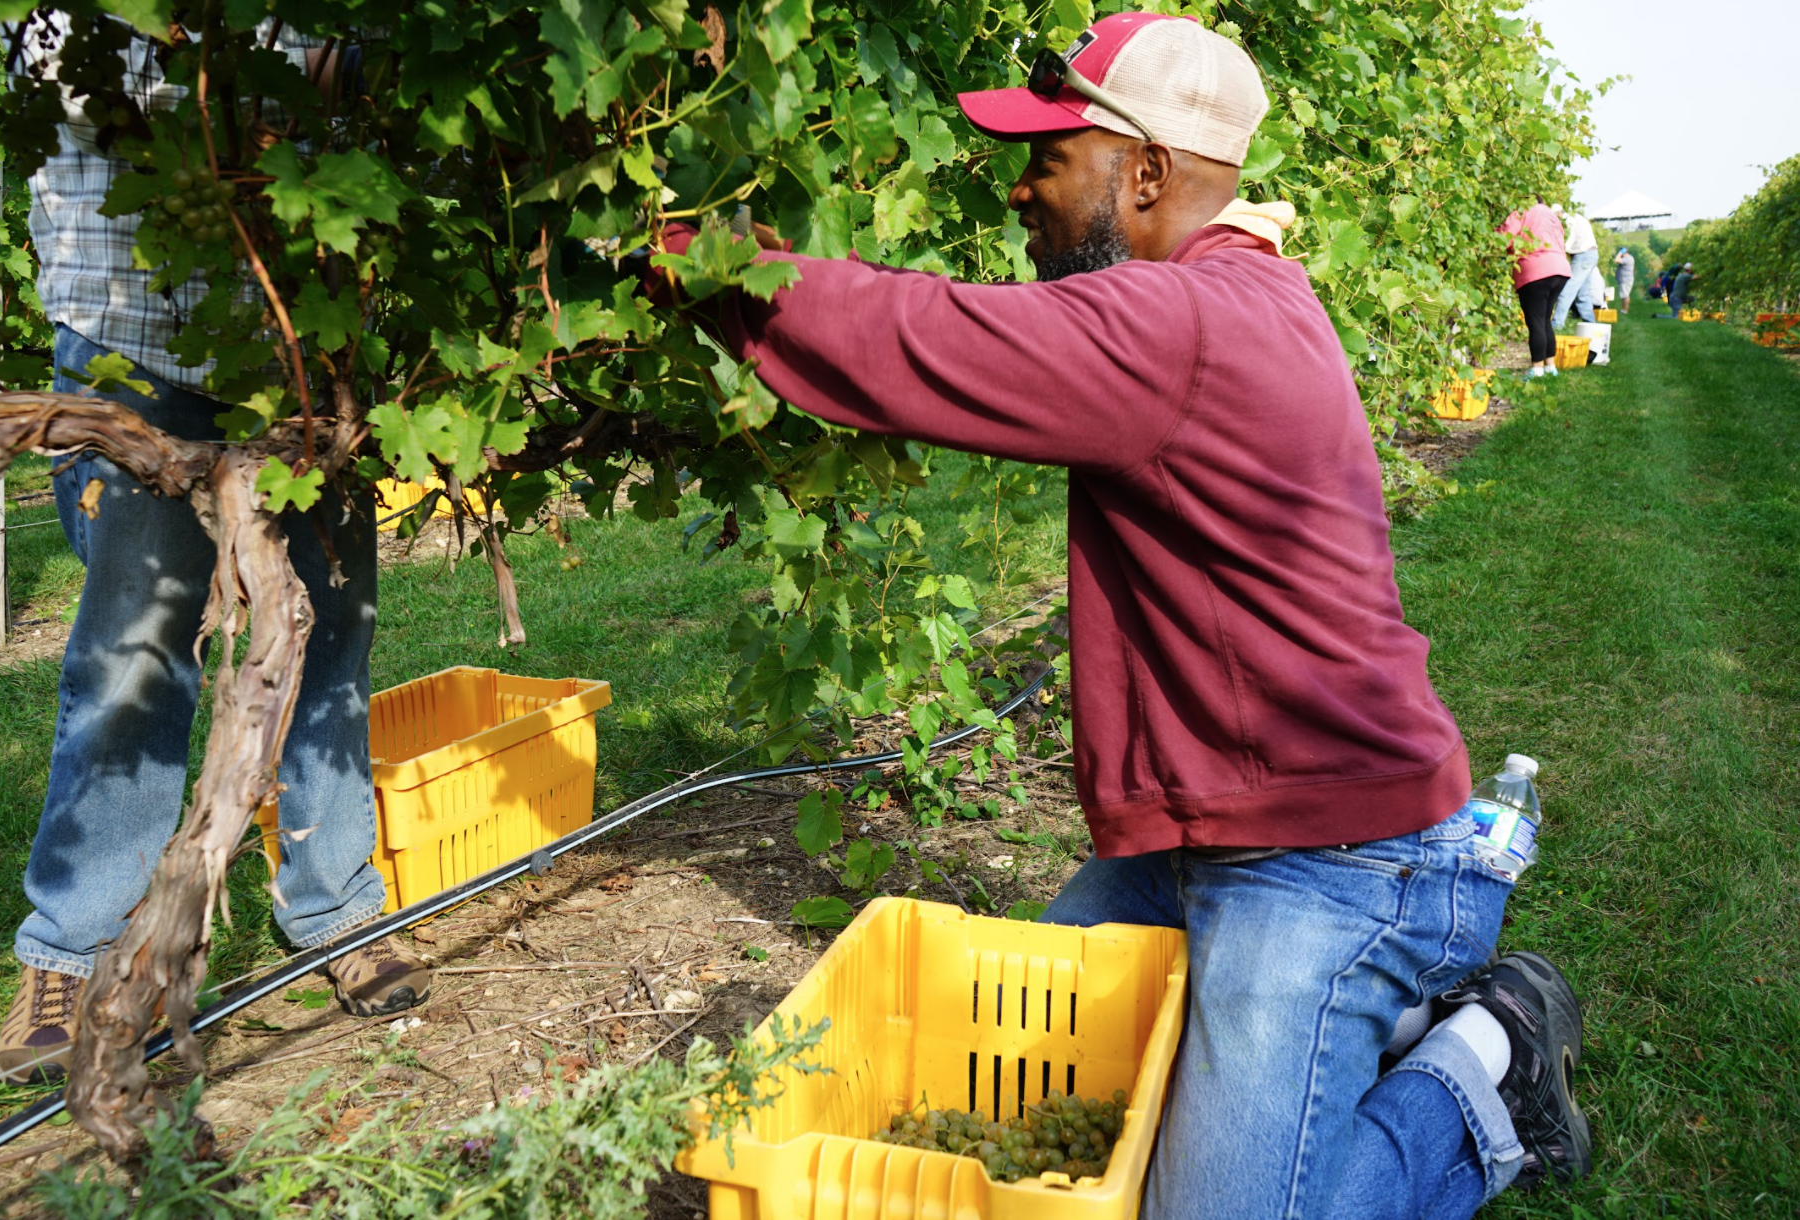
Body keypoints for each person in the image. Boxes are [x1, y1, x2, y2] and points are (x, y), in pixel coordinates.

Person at [671, 13, 1590, 1216]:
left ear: (1143, 171)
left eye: (1050, 157)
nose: (1021, 186)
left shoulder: (1185, 326)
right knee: (1036, 1098)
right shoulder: (1221, 296)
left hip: (1334, 857)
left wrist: (700, 256)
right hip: (1211, 832)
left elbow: (924, 338)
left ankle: (1482, 1067)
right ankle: (1373, 1018)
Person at [0, 15, 430, 1085]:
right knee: (135, 652)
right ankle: (77, 941)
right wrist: (311, 74)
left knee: (322, 629)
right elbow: (75, 72)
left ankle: (332, 904)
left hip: (309, 333)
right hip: (134, 333)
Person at [1499, 198, 1572, 377]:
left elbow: (1505, 238)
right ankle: (1550, 367)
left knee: (1535, 321)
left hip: (1535, 269)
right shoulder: (1552, 216)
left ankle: (1536, 370)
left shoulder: (1522, 211)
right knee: (1545, 319)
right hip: (1560, 269)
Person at [1551, 207, 1600, 329]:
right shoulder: (1578, 217)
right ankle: (1591, 325)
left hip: (1582, 256)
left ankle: (1557, 324)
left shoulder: (1569, 221)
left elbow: (1569, 240)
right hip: (1591, 254)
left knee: (1567, 291)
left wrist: (1559, 252)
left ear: (1558, 214)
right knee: (1583, 294)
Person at [1613, 246, 1636, 313]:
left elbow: (1616, 260)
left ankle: (1625, 310)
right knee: (1624, 295)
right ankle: (1623, 309)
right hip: (1624, 279)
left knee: (1625, 295)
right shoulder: (1627, 258)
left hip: (1625, 280)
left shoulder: (1628, 258)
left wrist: (1620, 253)